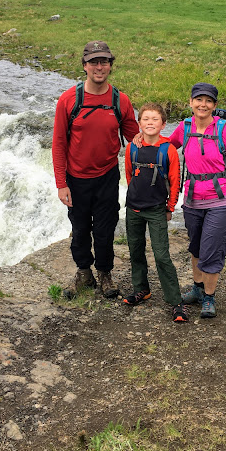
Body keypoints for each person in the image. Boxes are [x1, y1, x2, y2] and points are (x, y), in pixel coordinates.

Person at [52, 41, 139, 299]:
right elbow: (59, 143)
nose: (99, 67)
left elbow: (136, 139)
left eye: (104, 62)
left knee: (105, 229)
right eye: (93, 62)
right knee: (80, 229)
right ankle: (83, 273)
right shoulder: (69, 100)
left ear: (110, 66)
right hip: (76, 179)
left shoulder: (120, 101)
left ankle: (104, 273)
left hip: (107, 177)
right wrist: (61, 184)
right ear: (84, 66)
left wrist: (167, 149)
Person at [168, 82, 226, 318]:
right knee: (196, 247)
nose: (203, 104)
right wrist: (144, 138)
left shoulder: (224, 131)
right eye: (199, 100)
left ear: (214, 105)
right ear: (191, 102)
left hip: (221, 201)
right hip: (192, 200)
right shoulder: (184, 127)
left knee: (212, 249)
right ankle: (197, 289)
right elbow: (167, 148)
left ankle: (209, 297)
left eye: (208, 101)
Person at [123, 103, 188, 323]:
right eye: (146, 119)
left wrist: (170, 207)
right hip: (133, 209)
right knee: (135, 251)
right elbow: (129, 175)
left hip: (157, 210)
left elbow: (175, 181)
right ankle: (141, 289)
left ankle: (176, 302)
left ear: (163, 124)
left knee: (161, 255)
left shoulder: (168, 150)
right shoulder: (132, 147)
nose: (150, 123)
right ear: (139, 123)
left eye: (155, 119)